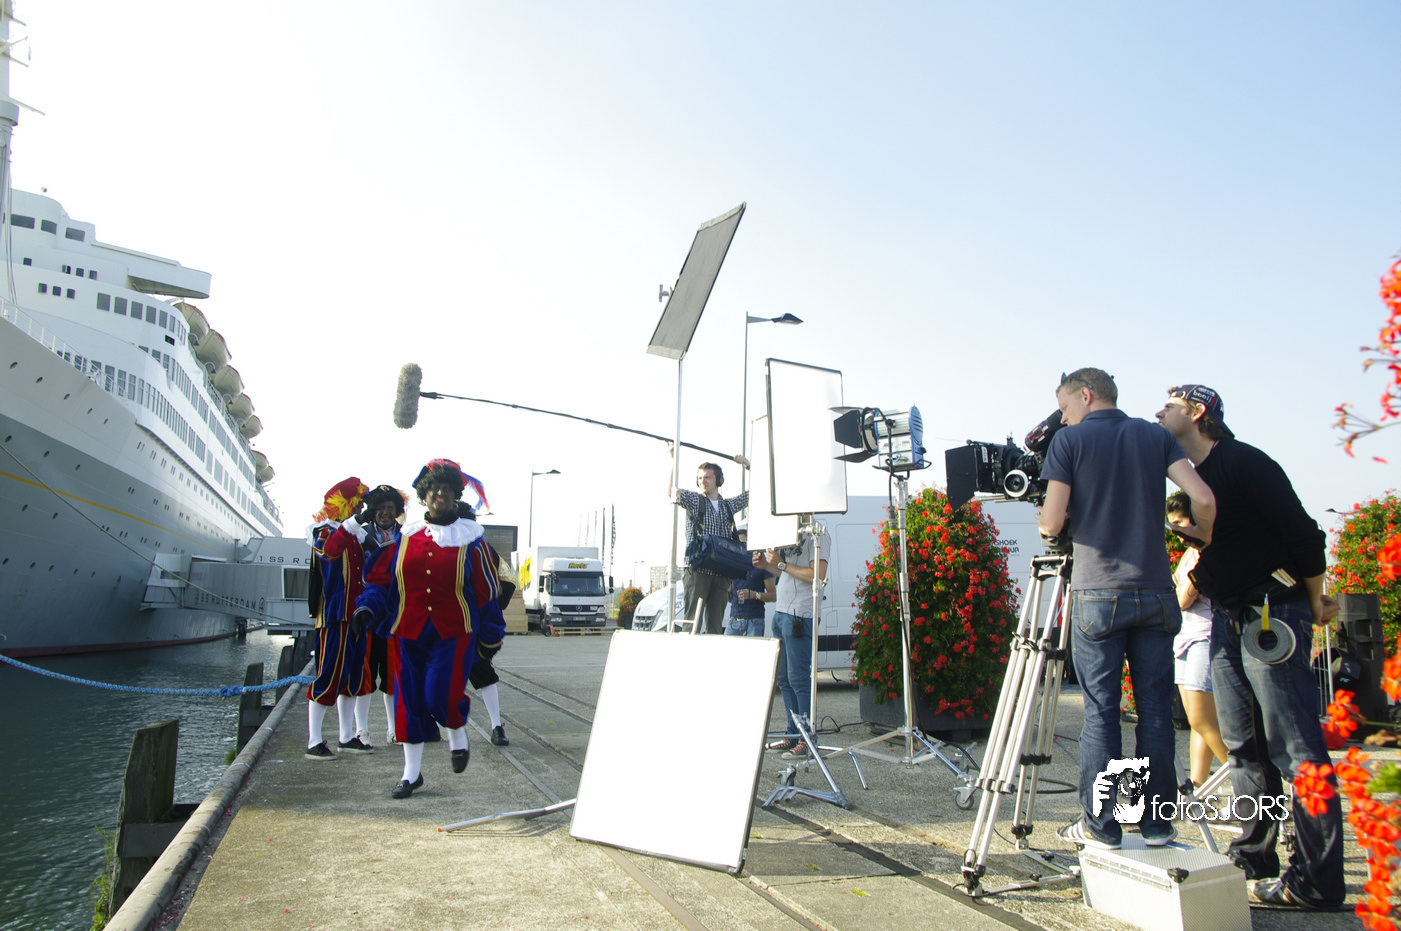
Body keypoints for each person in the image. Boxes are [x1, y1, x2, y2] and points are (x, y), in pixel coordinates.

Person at [1156, 384, 1344, 910]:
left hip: (1272, 612)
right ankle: (1252, 858)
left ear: (1198, 412)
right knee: (1244, 748)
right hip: (1228, 617)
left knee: (1295, 748)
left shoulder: (1244, 462)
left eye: (1170, 405)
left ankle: (1316, 883)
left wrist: (1313, 600)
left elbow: (1304, 534)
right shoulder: (1189, 477)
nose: (1159, 411)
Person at [1037, 368, 1216, 851]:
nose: (1063, 418)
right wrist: (1202, 535)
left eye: (1065, 407)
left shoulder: (1068, 443)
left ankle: (1103, 827)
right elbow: (1202, 496)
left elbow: (1052, 521)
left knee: (1102, 714)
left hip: (1099, 592)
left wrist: (1048, 525)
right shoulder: (1154, 436)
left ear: (1086, 394)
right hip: (1156, 591)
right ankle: (1157, 826)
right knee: (1155, 712)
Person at [355, 459, 506, 799]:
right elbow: (381, 583)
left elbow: (486, 592)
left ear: (455, 496)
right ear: (424, 495)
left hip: (453, 632)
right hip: (408, 630)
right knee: (408, 700)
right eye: (434, 488)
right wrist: (367, 608)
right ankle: (411, 774)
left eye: (447, 489)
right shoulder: (405, 538)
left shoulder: (471, 541)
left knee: (439, 694)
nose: (440, 493)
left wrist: (491, 634)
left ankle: (457, 733)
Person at [304, 477, 374, 760]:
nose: (360, 509)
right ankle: (314, 740)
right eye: (357, 504)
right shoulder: (324, 532)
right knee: (328, 675)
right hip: (334, 616)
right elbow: (329, 551)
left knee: (352, 678)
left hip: (356, 618)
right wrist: (354, 523)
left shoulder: (357, 536)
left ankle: (346, 736)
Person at [1165, 492, 1228, 790]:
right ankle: (1198, 786)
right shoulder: (1189, 552)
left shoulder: (1206, 550)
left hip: (1205, 636)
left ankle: (1247, 777)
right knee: (1196, 721)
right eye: (1172, 525)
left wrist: (1180, 592)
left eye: (1180, 522)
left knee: (1203, 718)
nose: (1177, 531)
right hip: (1185, 637)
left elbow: (1182, 599)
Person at [752, 516, 829, 759]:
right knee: (784, 678)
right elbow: (784, 571)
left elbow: (817, 575)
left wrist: (782, 565)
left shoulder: (818, 532)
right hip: (782, 612)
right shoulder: (791, 531)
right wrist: (767, 566)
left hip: (800, 615)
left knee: (798, 678)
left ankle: (807, 739)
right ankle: (793, 734)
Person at [343, 484, 407, 745]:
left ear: (397, 511)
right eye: (380, 508)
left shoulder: (407, 537)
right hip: (366, 615)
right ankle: (362, 730)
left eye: (390, 508)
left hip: (394, 616)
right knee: (364, 675)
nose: (385, 513)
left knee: (392, 676)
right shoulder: (360, 535)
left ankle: (393, 728)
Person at [667, 449, 750, 634]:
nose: (702, 481)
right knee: (691, 623)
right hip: (698, 570)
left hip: (721, 571)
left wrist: (747, 464)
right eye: (699, 478)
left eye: (707, 477)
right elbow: (672, 492)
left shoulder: (728, 505)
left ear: (718, 480)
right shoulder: (695, 501)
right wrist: (673, 461)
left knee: (715, 625)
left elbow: (755, 492)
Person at [727, 527, 775, 637]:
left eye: (743, 543)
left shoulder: (762, 565)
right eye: (737, 543)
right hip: (734, 620)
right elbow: (729, 594)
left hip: (754, 621)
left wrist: (755, 595)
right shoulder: (733, 565)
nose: (740, 546)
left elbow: (773, 596)